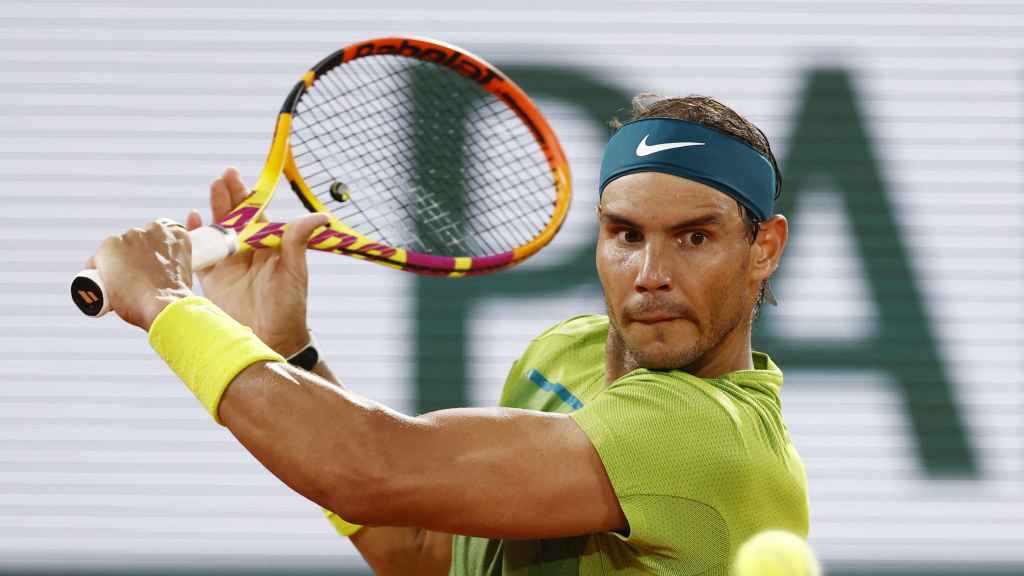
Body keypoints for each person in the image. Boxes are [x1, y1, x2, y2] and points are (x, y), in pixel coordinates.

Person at [85, 94, 809, 575]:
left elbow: (370, 469)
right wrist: (288, 354)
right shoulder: (566, 352)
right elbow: (425, 552)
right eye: (626, 234)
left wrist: (167, 302)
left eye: (694, 237)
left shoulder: (713, 437)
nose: (650, 273)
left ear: (764, 248)